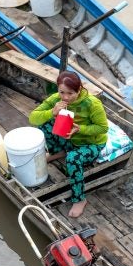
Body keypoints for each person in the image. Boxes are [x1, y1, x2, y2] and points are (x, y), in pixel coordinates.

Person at [29, 70, 107, 218]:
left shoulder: (92, 104)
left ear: (79, 89)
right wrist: (52, 111)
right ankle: (57, 152)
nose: (65, 97)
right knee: (44, 125)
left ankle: (79, 199)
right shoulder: (56, 99)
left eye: (70, 93)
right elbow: (33, 118)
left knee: (73, 158)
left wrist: (80, 129)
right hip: (69, 139)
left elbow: (103, 128)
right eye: (62, 92)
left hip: (90, 144)